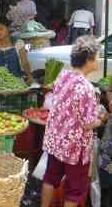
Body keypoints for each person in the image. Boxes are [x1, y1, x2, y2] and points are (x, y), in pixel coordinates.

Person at [41, 35, 103, 207]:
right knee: (75, 190)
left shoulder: (63, 76)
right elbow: (88, 123)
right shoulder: (86, 87)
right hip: (74, 149)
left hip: (56, 141)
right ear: (89, 59)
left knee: (50, 178)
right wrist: (102, 119)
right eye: (97, 56)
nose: (98, 61)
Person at [0, 17, 33, 84]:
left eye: (1, 29)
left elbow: (25, 63)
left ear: (8, 29)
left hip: (17, 81)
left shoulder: (18, 43)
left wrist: (29, 75)